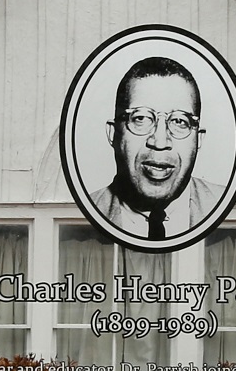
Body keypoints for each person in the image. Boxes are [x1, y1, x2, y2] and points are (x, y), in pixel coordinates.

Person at [88, 56, 218, 242]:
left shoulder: (233, 213)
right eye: (140, 118)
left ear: (199, 138)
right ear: (113, 133)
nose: (159, 141)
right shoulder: (79, 218)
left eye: (179, 121)